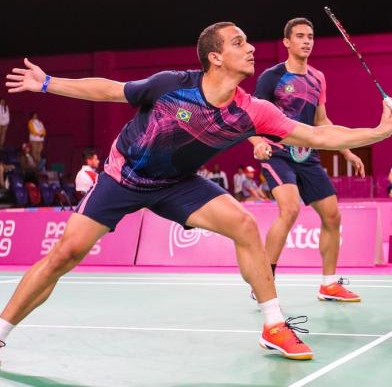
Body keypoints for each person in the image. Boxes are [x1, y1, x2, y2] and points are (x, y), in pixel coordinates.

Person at [2, 22, 392, 362]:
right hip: (124, 177)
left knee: (243, 223)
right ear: (215, 57)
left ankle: (274, 325)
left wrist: (378, 132)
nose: (251, 47)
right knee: (64, 255)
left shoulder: (253, 111)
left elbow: (316, 134)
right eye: (238, 42)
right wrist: (48, 83)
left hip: (177, 184)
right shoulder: (171, 85)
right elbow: (110, 90)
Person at [250, 18, 365, 301]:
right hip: (276, 152)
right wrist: (257, 143)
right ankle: (263, 281)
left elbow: (322, 121)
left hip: (308, 155)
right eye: (300, 36)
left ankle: (329, 284)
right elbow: (251, 118)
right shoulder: (272, 77)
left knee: (332, 215)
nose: (306, 41)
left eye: (310, 36)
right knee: (289, 209)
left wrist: (346, 150)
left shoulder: (317, 78)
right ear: (287, 42)